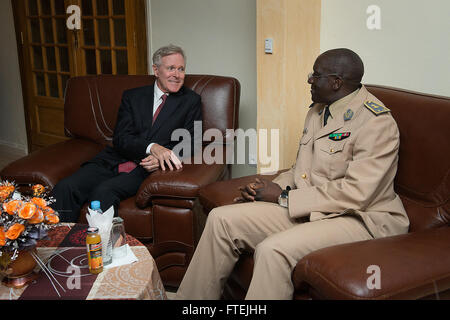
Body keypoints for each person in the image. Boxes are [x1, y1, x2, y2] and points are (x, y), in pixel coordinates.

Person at [175, 48, 409, 300]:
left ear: (336, 82)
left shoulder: (376, 122)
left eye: (315, 75)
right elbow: (302, 169)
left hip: (361, 218)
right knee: (221, 220)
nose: (309, 79)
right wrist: (266, 188)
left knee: (272, 250)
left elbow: (358, 193)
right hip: (313, 206)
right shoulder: (318, 110)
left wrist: (284, 198)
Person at [51, 44, 202, 222]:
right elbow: (121, 137)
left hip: (145, 169)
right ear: (156, 70)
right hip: (114, 159)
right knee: (65, 187)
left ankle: (104, 249)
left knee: (103, 192)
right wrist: (152, 148)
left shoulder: (191, 101)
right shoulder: (133, 96)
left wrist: (165, 157)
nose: (177, 75)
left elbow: (193, 142)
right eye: (171, 68)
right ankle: (60, 246)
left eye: (181, 69)